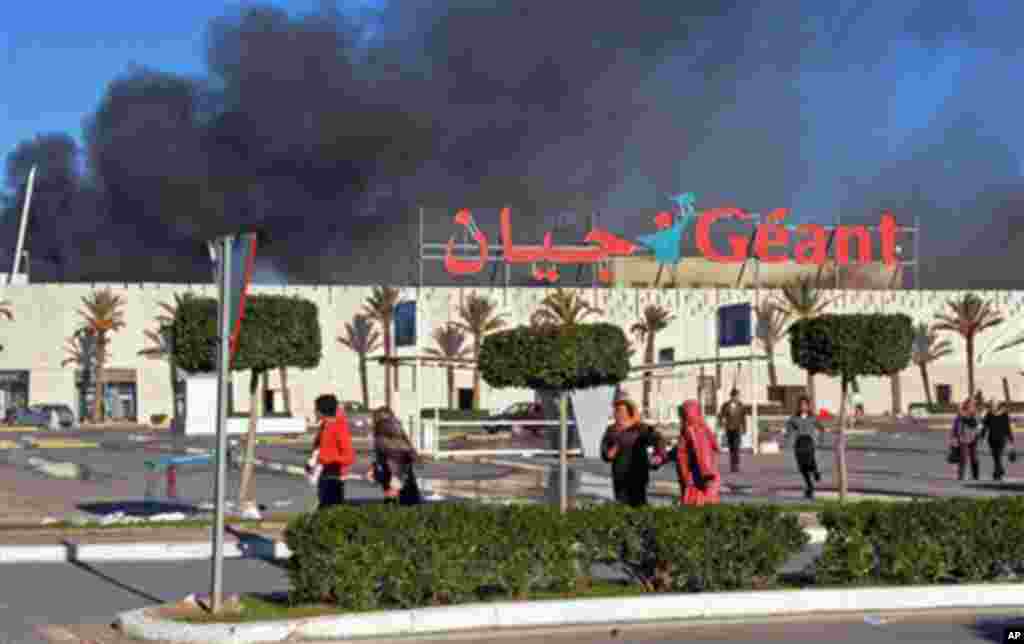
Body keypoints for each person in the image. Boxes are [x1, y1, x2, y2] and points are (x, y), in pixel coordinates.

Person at [600, 397, 667, 506]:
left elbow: (658, 440)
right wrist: (610, 452)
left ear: (629, 412)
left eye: (621, 410)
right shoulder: (611, 429)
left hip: (638, 473)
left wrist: (658, 457)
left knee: (638, 504)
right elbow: (605, 452)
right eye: (616, 410)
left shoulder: (641, 428)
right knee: (621, 504)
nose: (617, 413)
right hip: (619, 475)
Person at [306, 394, 356, 510]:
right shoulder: (325, 425)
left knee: (330, 510)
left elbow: (349, 456)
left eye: (316, 409)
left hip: (334, 476)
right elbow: (319, 448)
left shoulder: (338, 426)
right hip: (323, 474)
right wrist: (312, 462)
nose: (314, 412)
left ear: (322, 411)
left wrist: (327, 459)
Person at [365, 406, 422, 505]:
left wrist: (395, 484)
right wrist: (374, 468)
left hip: (399, 487)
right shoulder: (387, 432)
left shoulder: (386, 430)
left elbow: (400, 460)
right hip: (396, 484)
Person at [675, 400, 721, 506]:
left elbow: (703, 454)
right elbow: (680, 450)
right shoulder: (698, 429)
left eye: (681, 415)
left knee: (696, 509)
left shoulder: (694, 431)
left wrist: (707, 476)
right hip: (696, 479)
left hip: (696, 481)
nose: (680, 419)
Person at [785, 396, 823, 499]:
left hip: (809, 441)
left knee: (810, 460)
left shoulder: (813, 417)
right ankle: (809, 485)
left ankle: (815, 472)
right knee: (802, 467)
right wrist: (787, 436)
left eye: (805, 405)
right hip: (799, 442)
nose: (803, 407)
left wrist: (821, 436)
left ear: (808, 406)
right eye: (801, 405)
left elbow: (820, 427)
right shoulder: (794, 418)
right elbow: (788, 428)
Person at [950, 398, 982, 481]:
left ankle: (975, 476)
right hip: (963, 438)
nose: (970, 406)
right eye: (969, 404)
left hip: (973, 438)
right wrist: (954, 437)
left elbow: (974, 423)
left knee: (974, 457)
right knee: (963, 458)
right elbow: (956, 425)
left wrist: (962, 413)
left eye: (972, 404)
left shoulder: (975, 414)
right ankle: (961, 475)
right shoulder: (960, 414)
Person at [983, 401, 1015, 482]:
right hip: (991, 439)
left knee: (998, 455)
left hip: (1001, 439)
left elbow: (1007, 428)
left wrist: (1011, 439)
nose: (994, 406)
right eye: (993, 405)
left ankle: (997, 472)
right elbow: (985, 426)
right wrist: (982, 437)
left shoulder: (1005, 415)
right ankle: (999, 470)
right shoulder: (989, 414)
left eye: (995, 405)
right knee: (995, 456)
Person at [717, 388, 747, 473]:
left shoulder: (741, 405)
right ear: (732, 396)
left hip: (737, 428)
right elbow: (721, 415)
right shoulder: (725, 405)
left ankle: (736, 465)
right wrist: (721, 424)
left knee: (736, 447)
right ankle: (732, 465)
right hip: (729, 428)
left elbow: (743, 417)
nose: (737, 397)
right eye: (736, 395)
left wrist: (744, 428)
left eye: (738, 396)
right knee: (731, 448)